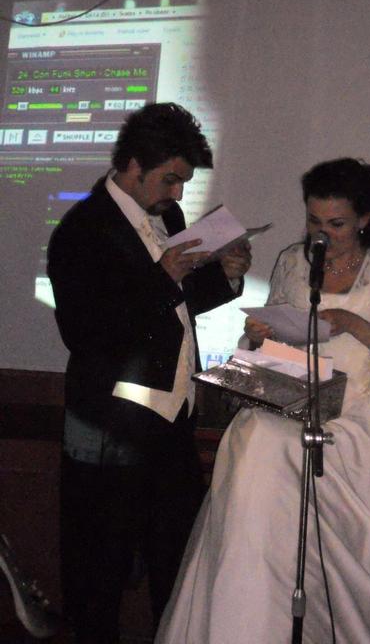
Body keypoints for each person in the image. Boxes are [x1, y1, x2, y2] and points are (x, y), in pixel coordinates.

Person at [156, 158, 370, 644]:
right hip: (294, 396)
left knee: (285, 451)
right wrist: (259, 335)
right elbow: (268, 347)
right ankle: (250, 620)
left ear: (364, 219)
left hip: (358, 409)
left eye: (336, 224)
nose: (323, 234)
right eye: (314, 221)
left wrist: (350, 322)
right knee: (256, 440)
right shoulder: (293, 261)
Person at [47, 102, 251, 644]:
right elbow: (84, 332)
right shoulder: (82, 229)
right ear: (134, 166)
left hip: (172, 425)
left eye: (183, 182)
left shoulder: (168, 220)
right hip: (110, 431)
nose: (178, 194)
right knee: (100, 576)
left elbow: (171, 311)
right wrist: (162, 278)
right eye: (171, 179)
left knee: (176, 568)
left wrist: (225, 278)